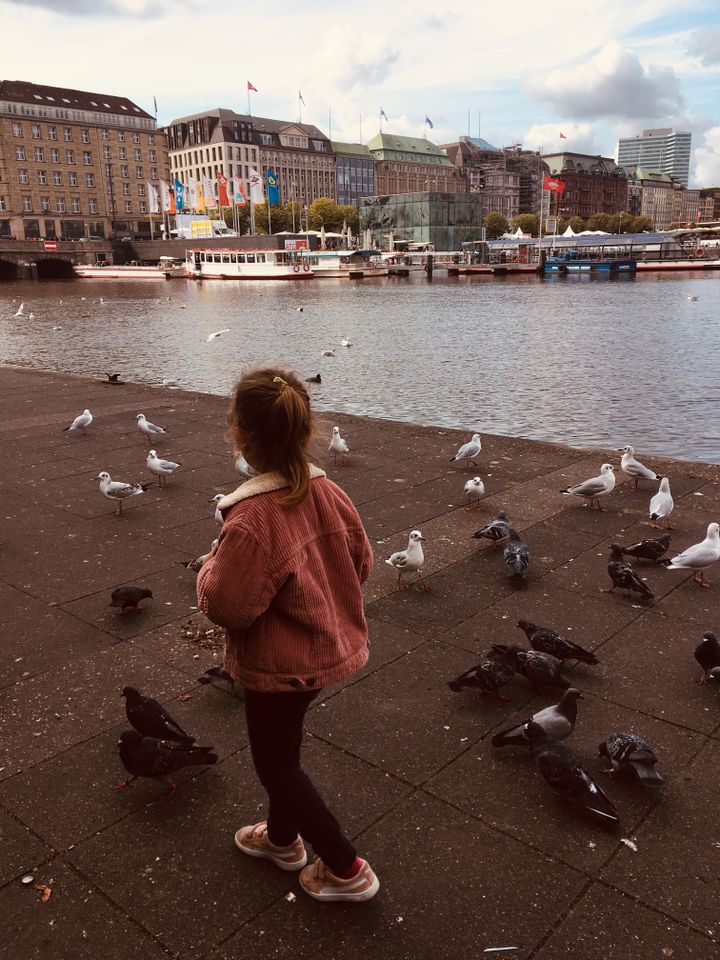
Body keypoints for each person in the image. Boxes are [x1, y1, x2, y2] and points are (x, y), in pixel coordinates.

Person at [197, 367, 379, 903]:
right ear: (304, 432)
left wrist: (208, 565)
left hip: (279, 663)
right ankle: (281, 840)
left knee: (274, 765)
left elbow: (228, 606)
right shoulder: (331, 492)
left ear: (242, 436)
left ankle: (345, 867)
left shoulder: (252, 518)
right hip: (323, 650)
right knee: (285, 752)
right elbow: (361, 563)